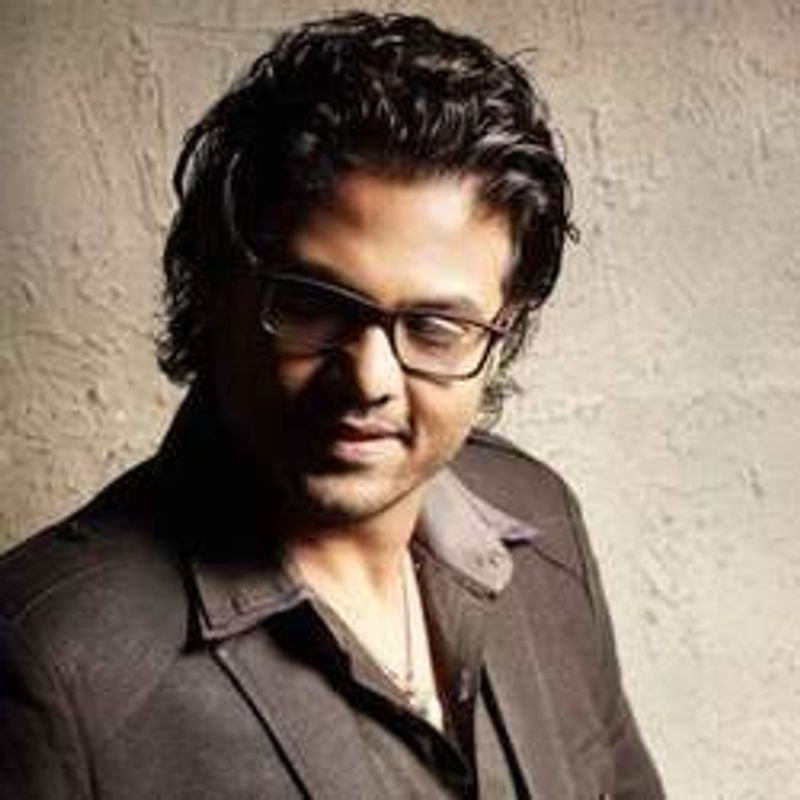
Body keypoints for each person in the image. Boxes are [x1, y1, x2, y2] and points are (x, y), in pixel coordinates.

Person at [0, 11, 664, 799]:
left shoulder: (543, 520)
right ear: (216, 289)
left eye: (436, 326)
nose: (369, 378)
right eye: (314, 306)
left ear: (503, 331)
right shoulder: (52, 660)